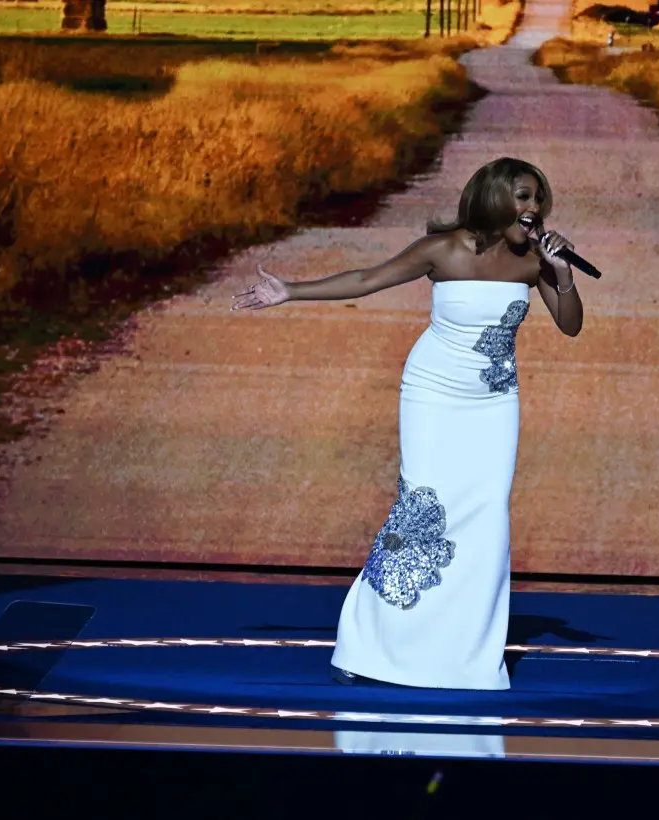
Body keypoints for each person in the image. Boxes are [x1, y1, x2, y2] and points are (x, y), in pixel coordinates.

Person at [233, 157, 583, 690]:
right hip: (433, 396)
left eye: (538, 198)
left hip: (494, 404)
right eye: (522, 196)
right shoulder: (442, 249)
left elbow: (571, 325)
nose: (532, 208)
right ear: (492, 198)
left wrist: (563, 274)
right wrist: (291, 291)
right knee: (421, 513)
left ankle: (462, 654)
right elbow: (367, 279)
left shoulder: (536, 261)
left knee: (486, 519)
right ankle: (368, 645)